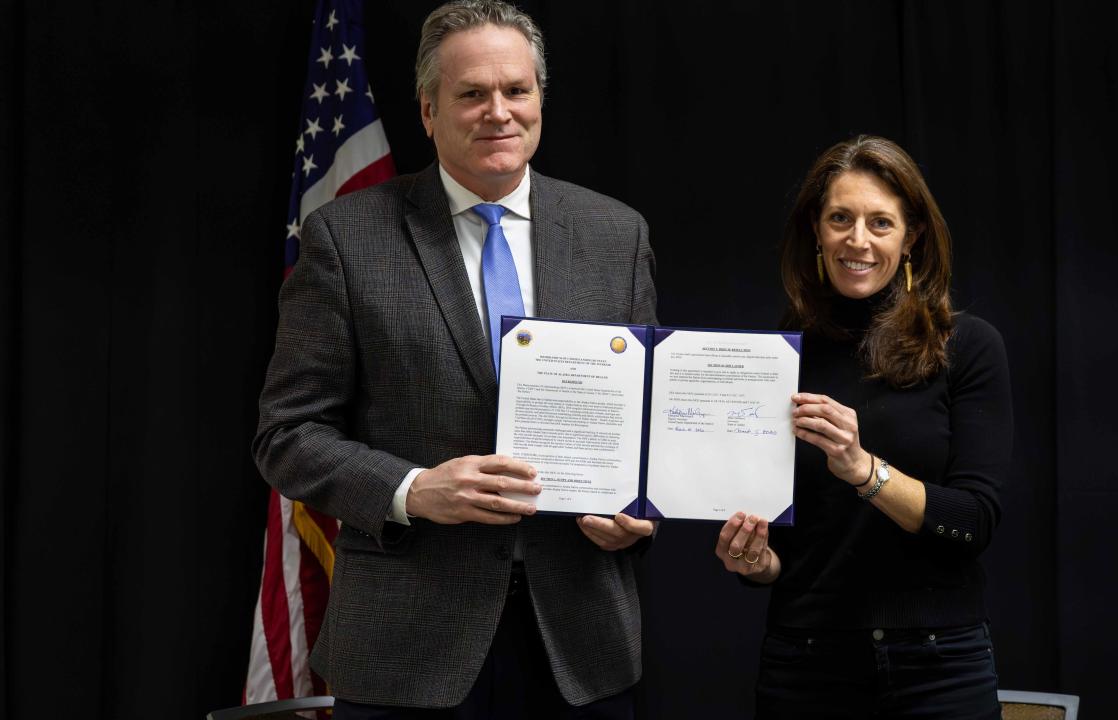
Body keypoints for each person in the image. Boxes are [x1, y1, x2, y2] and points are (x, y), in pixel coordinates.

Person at [253, 1, 656, 717]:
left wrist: (637, 507)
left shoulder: (614, 234)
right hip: (406, 650)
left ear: (539, 99)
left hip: (581, 645)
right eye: (472, 94)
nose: (497, 112)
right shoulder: (345, 239)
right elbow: (287, 436)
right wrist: (412, 490)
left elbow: (644, 427)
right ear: (429, 110)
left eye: (516, 91)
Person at [714, 135, 1013, 719]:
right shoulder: (777, 357)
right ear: (817, 233)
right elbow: (787, 549)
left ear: (911, 239)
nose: (858, 240)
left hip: (940, 665)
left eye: (881, 223)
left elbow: (974, 522)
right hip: (806, 663)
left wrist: (863, 469)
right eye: (840, 219)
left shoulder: (968, 346)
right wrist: (755, 562)